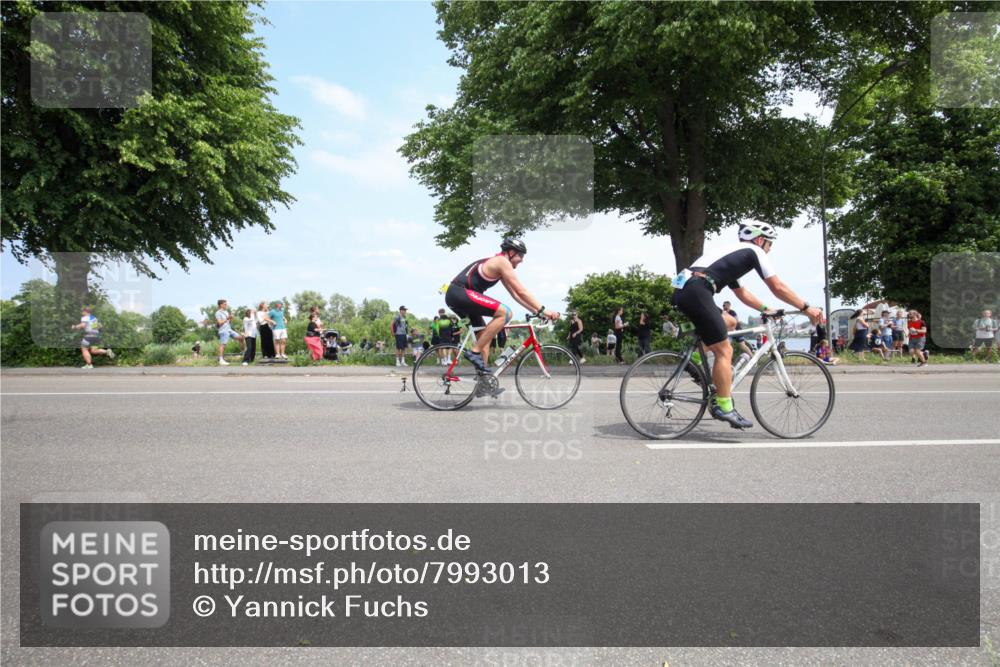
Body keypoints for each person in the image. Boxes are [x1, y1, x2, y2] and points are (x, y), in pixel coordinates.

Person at [670, 222, 823, 429]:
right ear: (761, 240)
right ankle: (724, 406)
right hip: (697, 290)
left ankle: (696, 357)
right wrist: (806, 307)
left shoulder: (733, 254)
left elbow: (742, 293)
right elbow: (777, 286)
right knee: (725, 350)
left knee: (731, 322)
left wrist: (765, 308)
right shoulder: (754, 251)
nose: (770, 249)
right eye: (770, 244)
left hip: (685, 289)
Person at [443, 238, 559, 391]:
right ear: (511, 253)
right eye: (521, 256)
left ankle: (483, 383)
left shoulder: (500, 265)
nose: (522, 261)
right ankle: (473, 352)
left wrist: (537, 312)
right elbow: (522, 291)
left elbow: (516, 296)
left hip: (460, 295)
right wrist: (545, 310)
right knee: (505, 313)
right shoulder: (502, 262)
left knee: (484, 338)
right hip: (460, 293)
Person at [215, 299, 243, 366]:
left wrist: (230, 319)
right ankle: (221, 360)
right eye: (225, 304)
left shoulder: (226, 312)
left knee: (241, 338)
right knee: (223, 344)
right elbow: (219, 323)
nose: (226, 305)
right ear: (221, 305)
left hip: (229, 329)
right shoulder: (218, 313)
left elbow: (228, 322)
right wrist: (227, 318)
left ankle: (243, 353)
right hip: (223, 330)